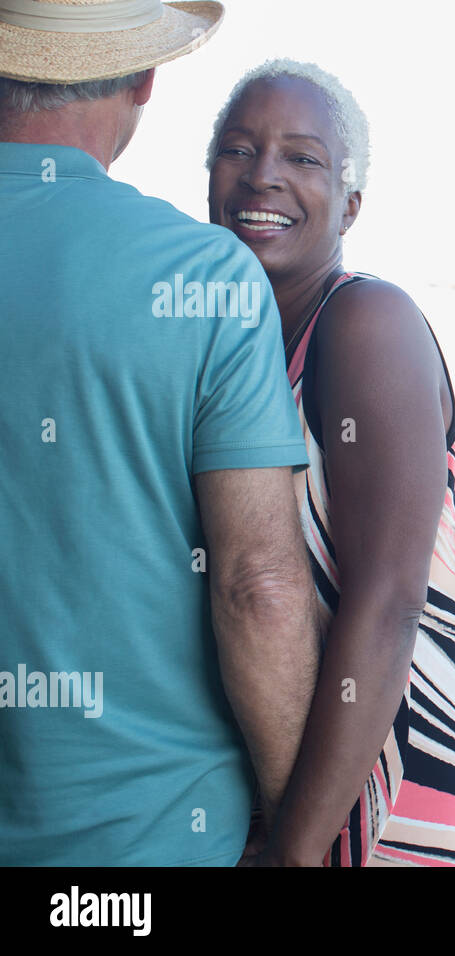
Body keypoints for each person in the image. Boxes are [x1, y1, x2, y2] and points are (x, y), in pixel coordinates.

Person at [0, 1, 320, 865]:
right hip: (145, 845)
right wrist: (298, 835)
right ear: (145, 78)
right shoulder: (206, 277)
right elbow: (258, 587)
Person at [207, 59, 455, 866]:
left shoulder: (365, 322)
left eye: (303, 157)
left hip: (417, 789)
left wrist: (295, 854)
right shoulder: (232, 347)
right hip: (313, 789)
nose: (264, 176)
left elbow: (389, 605)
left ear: (351, 203)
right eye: (239, 150)